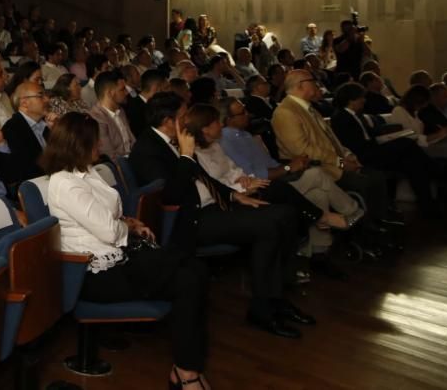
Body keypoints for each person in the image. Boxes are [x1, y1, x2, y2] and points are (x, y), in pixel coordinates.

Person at [43, 112, 211, 390]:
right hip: (93, 274)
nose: (100, 147)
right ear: (78, 145)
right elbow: (108, 230)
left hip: (118, 258)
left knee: (194, 268)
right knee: (188, 279)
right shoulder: (64, 182)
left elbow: (111, 217)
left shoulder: (87, 171)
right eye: (95, 142)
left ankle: (186, 367)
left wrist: (125, 223)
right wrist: (125, 227)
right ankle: (186, 372)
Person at [131, 92, 311, 339]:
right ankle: (263, 308)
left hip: (209, 206)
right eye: (183, 116)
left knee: (285, 215)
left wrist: (232, 195)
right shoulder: (147, 148)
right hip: (189, 220)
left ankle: (276, 297)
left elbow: (205, 178)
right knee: (268, 225)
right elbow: (170, 195)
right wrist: (185, 155)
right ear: (167, 121)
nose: (187, 121)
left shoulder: (176, 140)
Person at [188, 103, 356, 278]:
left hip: (242, 188)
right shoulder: (196, 153)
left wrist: (242, 178)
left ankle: (314, 252)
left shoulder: (215, 145)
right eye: (216, 122)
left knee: (312, 195)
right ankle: (326, 217)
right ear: (205, 128)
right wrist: (240, 185)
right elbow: (210, 186)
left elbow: (232, 169)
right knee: (284, 188)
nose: (221, 124)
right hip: (226, 201)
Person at [272, 71, 393, 228]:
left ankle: (379, 221)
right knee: (365, 182)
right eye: (313, 81)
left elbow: (331, 140)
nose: (317, 84)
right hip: (315, 167)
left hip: (331, 163)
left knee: (376, 176)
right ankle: (366, 229)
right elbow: (303, 150)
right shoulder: (286, 112)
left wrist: (348, 157)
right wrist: (342, 163)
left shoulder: (309, 108)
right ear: (301, 84)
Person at [330, 83, 440, 219]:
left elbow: (369, 135)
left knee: (412, 163)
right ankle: (437, 170)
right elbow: (353, 145)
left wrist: (386, 137)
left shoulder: (357, 115)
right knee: (406, 143)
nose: (364, 100)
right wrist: (385, 140)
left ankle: (427, 204)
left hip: (371, 150)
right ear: (351, 99)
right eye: (361, 97)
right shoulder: (341, 117)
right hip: (361, 156)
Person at [2, 82, 52, 181]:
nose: (47, 99)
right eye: (40, 96)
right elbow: (25, 171)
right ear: (24, 103)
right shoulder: (12, 129)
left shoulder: (47, 125)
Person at [88, 71, 136, 162]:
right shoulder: (96, 118)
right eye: (122, 89)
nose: (126, 92)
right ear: (110, 93)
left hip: (132, 158)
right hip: (120, 166)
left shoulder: (120, 111)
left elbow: (132, 140)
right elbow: (109, 155)